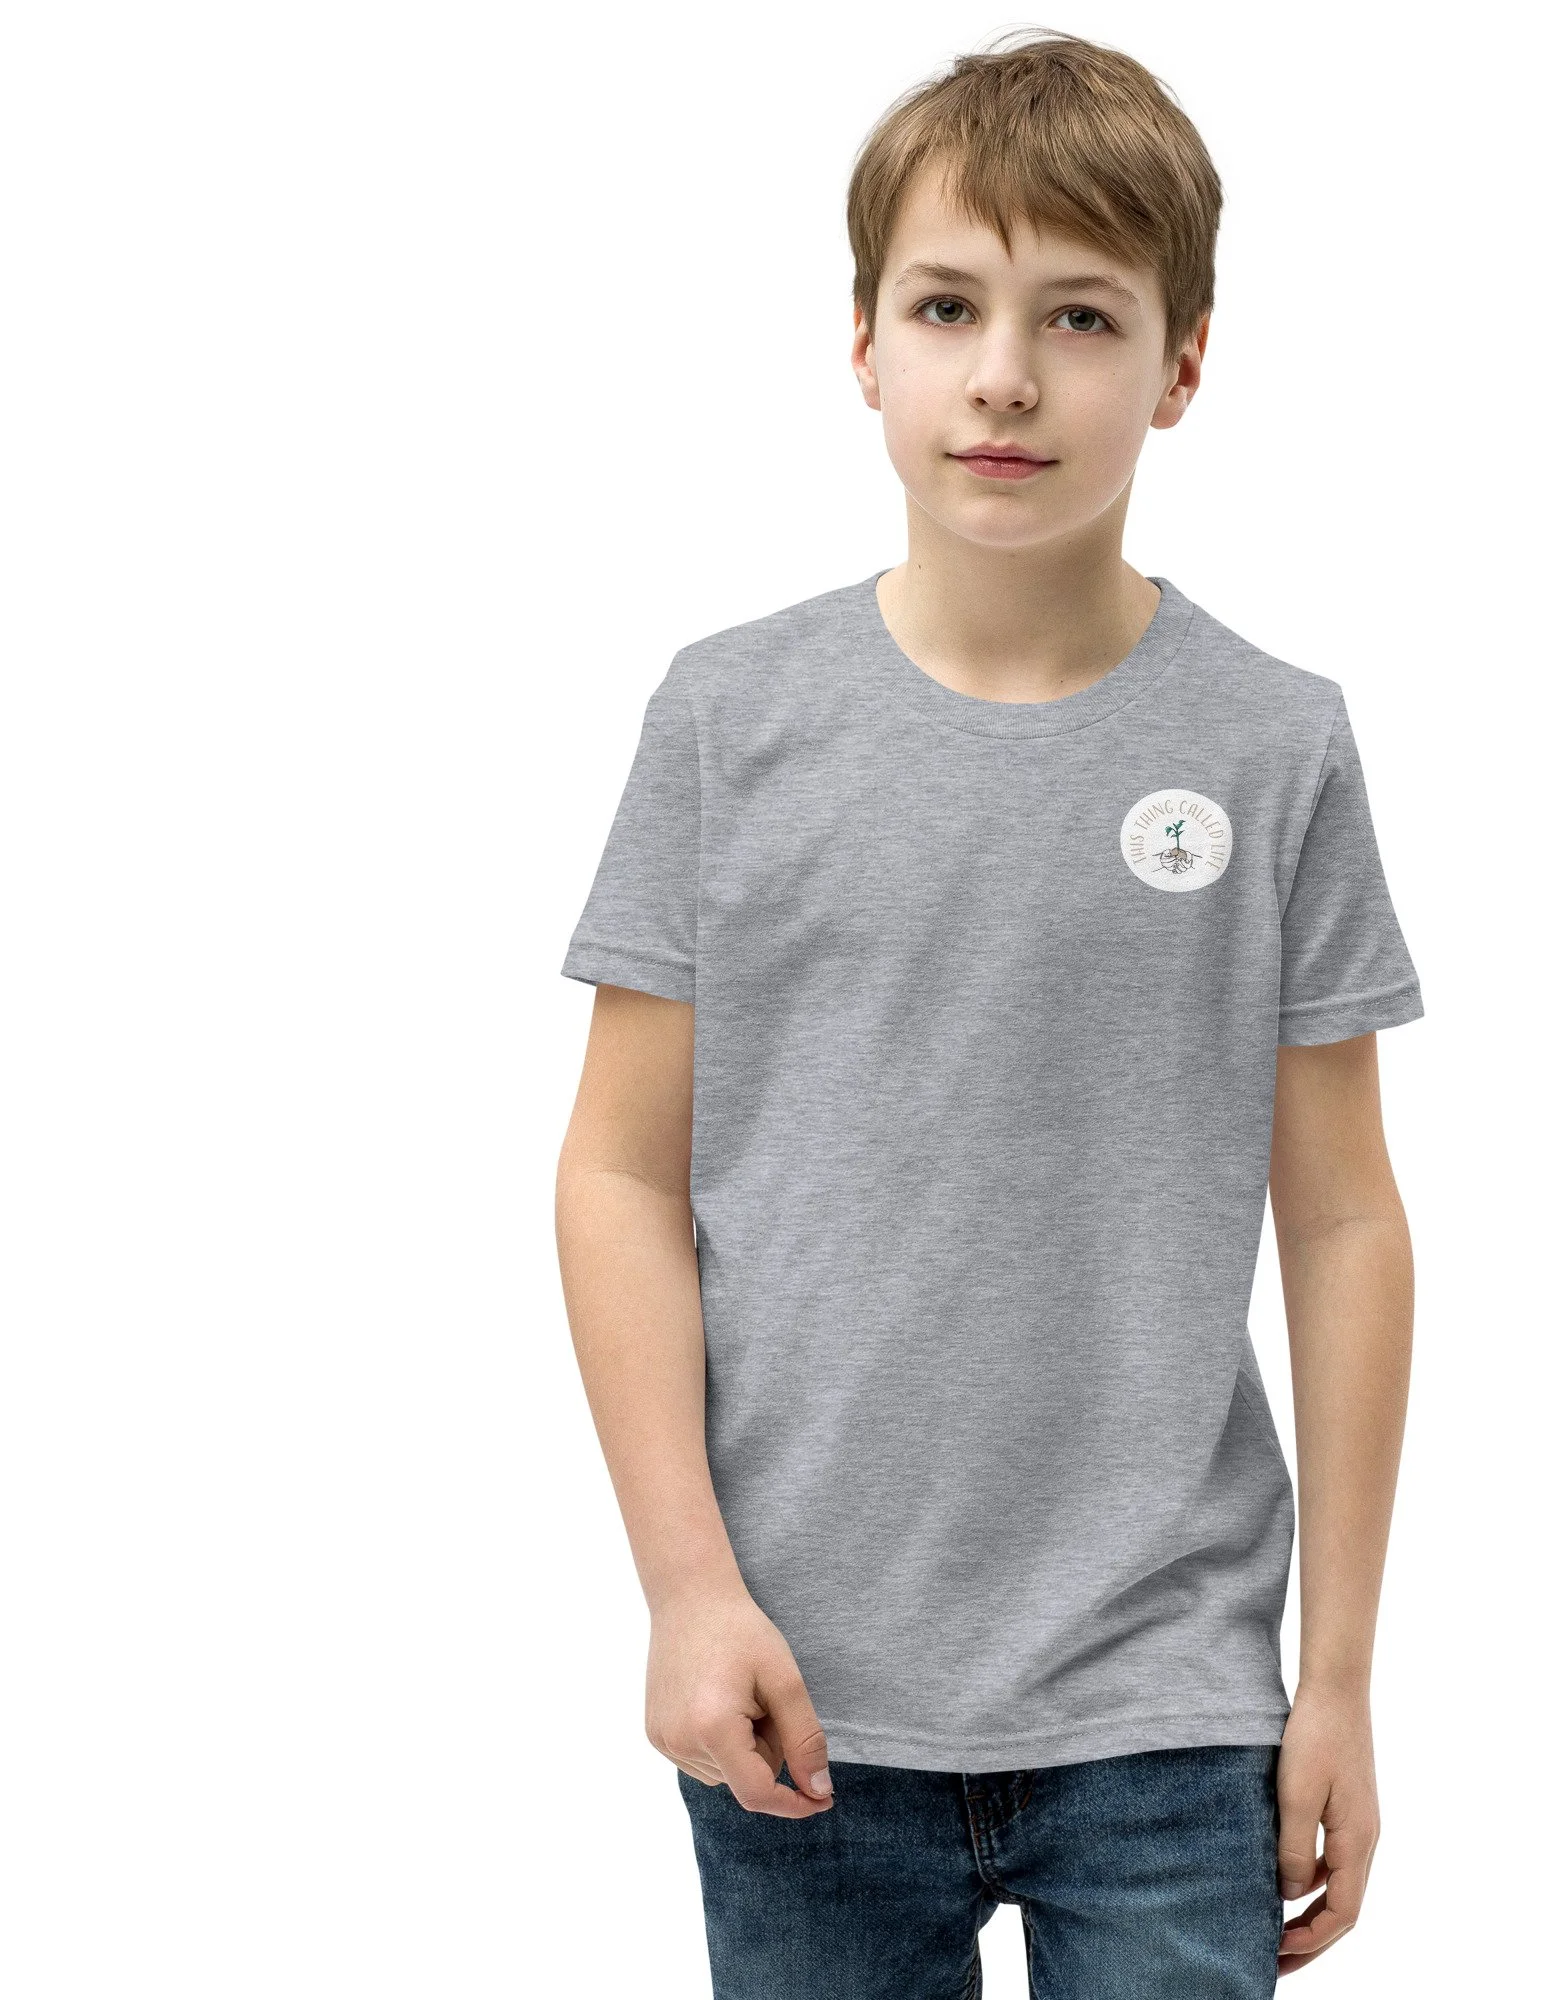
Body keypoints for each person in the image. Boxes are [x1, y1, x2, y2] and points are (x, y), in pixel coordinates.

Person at [554, 29, 1424, 1995]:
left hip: (1168, 1695)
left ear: (1182, 364)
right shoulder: (729, 721)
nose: (1006, 375)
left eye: (1081, 316)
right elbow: (616, 1174)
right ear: (863, 344)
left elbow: (1345, 1217)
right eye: (948, 306)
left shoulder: (1274, 743)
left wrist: (1342, 1677)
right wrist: (685, 1590)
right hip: (798, 1693)